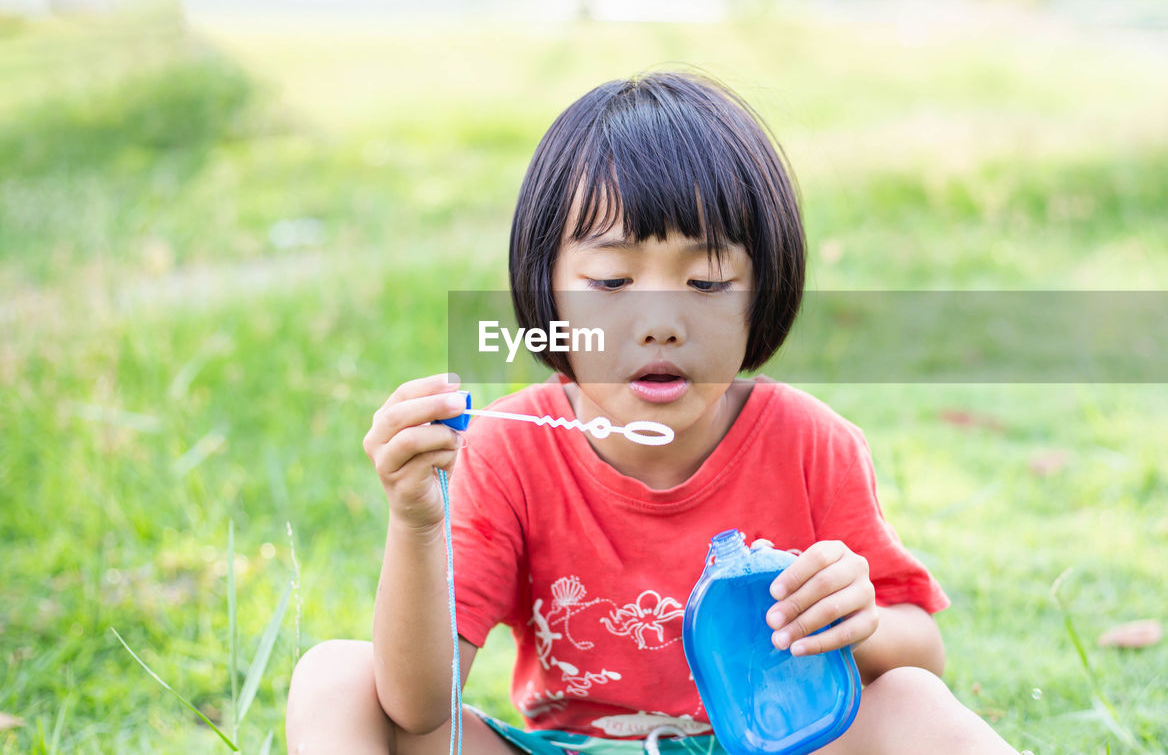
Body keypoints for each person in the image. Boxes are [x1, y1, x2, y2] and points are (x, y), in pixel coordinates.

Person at [286, 72, 1017, 754]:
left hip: (769, 744)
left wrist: (855, 622)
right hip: (568, 748)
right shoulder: (508, 452)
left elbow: (922, 652)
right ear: (548, 293)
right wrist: (416, 522)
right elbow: (416, 708)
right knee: (337, 675)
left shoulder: (809, 443)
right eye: (611, 279)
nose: (661, 320)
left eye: (706, 281)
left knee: (913, 700)